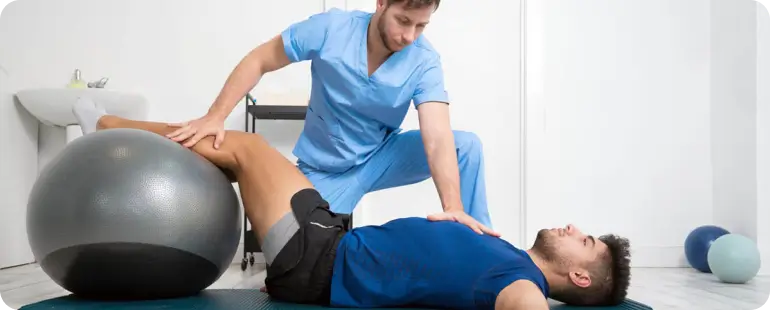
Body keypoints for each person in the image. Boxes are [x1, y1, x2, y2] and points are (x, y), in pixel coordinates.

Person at [72, 99, 632, 310]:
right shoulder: (506, 253)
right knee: (244, 154)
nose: (572, 227)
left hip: (319, 261)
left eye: (584, 240)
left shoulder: (523, 286)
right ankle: (115, 131)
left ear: (580, 277)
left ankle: (108, 125)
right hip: (328, 240)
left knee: (243, 147)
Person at [162, 0, 498, 236]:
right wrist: (215, 116)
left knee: (465, 146)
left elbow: (436, 135)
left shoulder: (424, 60)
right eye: (403, 21)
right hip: (324, 171)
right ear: (381, 4)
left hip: (381, 157)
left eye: (421, 26)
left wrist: (453, 207)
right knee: (293, 259)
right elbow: (260, 59)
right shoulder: (331, 29)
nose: (410, 36)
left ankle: (483, 249)